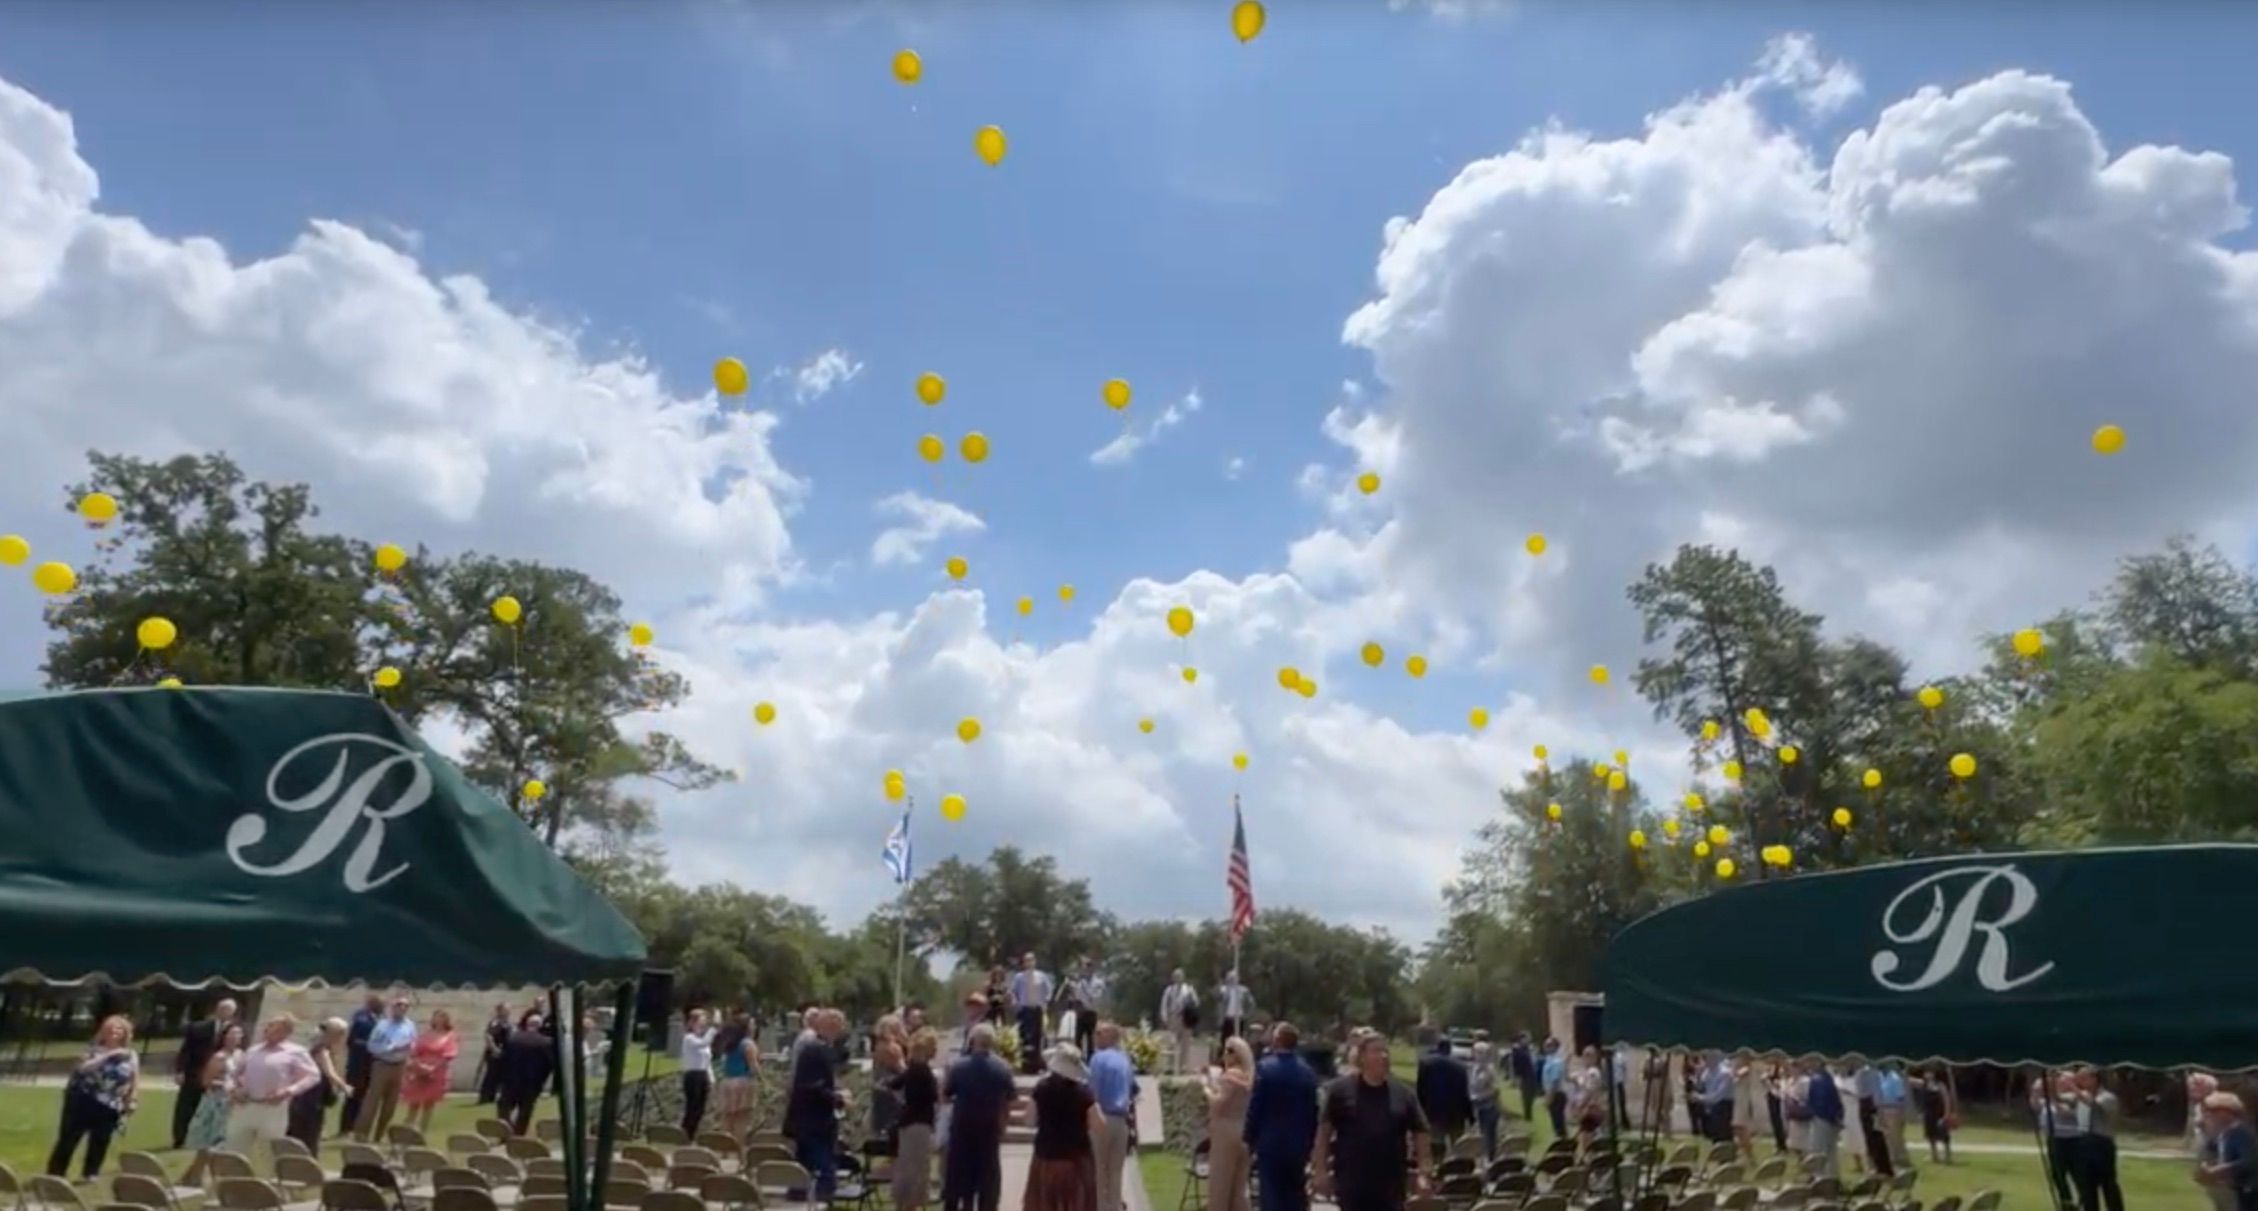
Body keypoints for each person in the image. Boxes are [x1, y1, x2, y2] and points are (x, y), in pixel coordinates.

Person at [1315, 1034, 1429, 1211]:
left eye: (1385, 1051)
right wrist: (1320, 1171)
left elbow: (1420, 1132)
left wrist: (1424, 1173)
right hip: (1352, 1183)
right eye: (1376, 1051)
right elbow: (1324, 1133)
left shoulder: (1403, 1094)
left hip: (1391, 1184)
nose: (1383, 1056)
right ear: (1361, 1057)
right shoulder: (1339, 1091)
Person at [48, 1015, 139, 1180]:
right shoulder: (92, 1050)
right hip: (82, 1099)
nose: (114, 1032)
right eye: (110, 1029)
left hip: (111, 1103)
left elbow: (134, 1079)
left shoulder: (131, 1055)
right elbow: (83, 1069)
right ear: (103, 1031)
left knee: (101, 1140)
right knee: (68, 1138)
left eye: (118, 1029)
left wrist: (132, 1100)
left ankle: (91, 1172)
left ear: (126, 1033)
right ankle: (56, 1173)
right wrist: (108, 1056)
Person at [227, 1013, 322, 1165]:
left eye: (273, 1026)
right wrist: (232, 1089)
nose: (267, 1029)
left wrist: (288, 1091)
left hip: (273, 1108)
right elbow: (232, 1074)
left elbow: (313, 1075)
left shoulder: (295, 1052)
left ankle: (269, 1183)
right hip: (245, 1105)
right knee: (234, 1148)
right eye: (267, 1025)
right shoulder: (253, 1050)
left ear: (286, 1031)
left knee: (269, 1151)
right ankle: (232, 1182)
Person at [1244, 1022, 1319, 1211]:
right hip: (1298, 1144)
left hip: (1271, 1143)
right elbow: (1313, 1112)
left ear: (1277, 1040)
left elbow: (1257, 1106)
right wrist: (1310, 1144)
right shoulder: (1308, 1073)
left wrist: (1249, 1137)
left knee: (1271, 1195)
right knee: (1295, 1195)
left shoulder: (1265, 1068)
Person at [942, 1024, 1018, 1211]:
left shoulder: (958, 1067)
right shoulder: (1003, 1068)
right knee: (988, 1176)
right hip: (989, 1127)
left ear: (973, 1041)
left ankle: (962, 1204)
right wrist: (1004, 1122)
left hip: (962, 1128)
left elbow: (946, 1095)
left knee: (960, 1174)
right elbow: (1010, 1099)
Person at [1023, 1044, 1101, 1211]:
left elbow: (1029, 1120)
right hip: (1076, 1158)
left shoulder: (1041, 1088)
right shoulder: (1084, 1093)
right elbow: (1098, 1125)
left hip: (1046, 1155)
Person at [787, 1008, 848, 1202]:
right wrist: (838, 1099)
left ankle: (799, 1200)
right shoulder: (816, 1049)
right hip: (814, 1122)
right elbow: (813, 1087)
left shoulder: (817, 1048)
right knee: (826, 1174)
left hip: (807, 1120)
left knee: (801, 1172)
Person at [181, 1023, 245, 1184]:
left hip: (232, 1103)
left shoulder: (242, 1056)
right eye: (231, 1034)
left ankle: (195, 1176)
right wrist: (223, 1085)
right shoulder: (219, 1057)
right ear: (224, 1037)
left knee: (221, 1143)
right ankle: (198, 1177)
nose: (234, 1038)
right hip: (216, 1102)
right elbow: (206, 1081)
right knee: (208, 1143)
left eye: (238, 1034)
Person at [172, 998, 237, 1150]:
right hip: (194, 1073)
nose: (225, 1013)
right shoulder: (198, 1028)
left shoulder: (234, 1032)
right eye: (223, 1009)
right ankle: (179, 1138)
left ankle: (205, 1139)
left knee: (208, 1109)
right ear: (217, 1009)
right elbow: (185, 1051)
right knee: (186, 1106)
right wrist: (180, 1070)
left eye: (229, 1010)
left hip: (217, 1078)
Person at [1204, 1036, 1255, 1211]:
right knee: (1239, 1189)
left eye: (1230, 1051)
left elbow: (1218, 1104)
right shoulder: (1248, 1077)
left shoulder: (1231, 1076)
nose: (1225, 1054)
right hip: (1242, 1130)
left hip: (1225, 1132)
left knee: (1220, 1186)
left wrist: (1205, 1089)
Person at [354, 996, 416, 1140]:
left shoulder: (410, 1025)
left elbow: (413, 1043)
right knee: (372, 1101)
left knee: (391, 1103)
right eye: (399, 1005)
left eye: (405, 1006)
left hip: (400, 1066)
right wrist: (389, 1049)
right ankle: (362, 1134)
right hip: (382, 1064)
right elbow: (372, 1046)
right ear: (392, 1007)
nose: (402, 1008)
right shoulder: (383, 1025)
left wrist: (408, 1049)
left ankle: (379, 1135)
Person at [1089, 1024, 1136, 1211]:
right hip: (1121, 1120)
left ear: (1110, 1037)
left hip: (1102, 1117)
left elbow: (1092, 1091)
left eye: (1099, 1033)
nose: (1096, 1036)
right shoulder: (1126, 1061)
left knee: (1099, 1171)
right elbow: (1133, 1090)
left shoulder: (1097, 1059)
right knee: (1116, 1173)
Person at [2064, 1067, 2124, 1211]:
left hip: (2102, 1144)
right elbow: (2060, 1098)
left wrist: (2073, 1087)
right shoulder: (2081, 1095)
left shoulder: (2108, 1097)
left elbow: (2093, 1104)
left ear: (2094, 1079)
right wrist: (2053, 1083)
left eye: (2084, 1078)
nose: (2081, 1082)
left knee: (2108, 1184)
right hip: (2085, 1142)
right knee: (2087, 1185)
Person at [288, 1018, 351, 1152]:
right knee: (309, 1134)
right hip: (310, 1097)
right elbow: (329, 1072)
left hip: (307, 1096)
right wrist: (344, 1086)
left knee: (300, 1131)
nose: (342, 1038)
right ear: (333, 1034)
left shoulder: (317, 1046)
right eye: (341, 1034)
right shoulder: (322, 1050)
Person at [896, 1029, 942, 1211]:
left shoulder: (911, 1070)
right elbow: (932, 1096)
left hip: (908, 1121)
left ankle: (903, 1203)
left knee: (907, 1165)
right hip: (919, 1123)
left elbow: (893, 1084)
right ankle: (913, 1204)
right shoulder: (922, 1072)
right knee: (919, 1168)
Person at [496, 1011, 555, 1137]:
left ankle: (504, 1132)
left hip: (511, 1079)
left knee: (505, 1107)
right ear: (540, 1026)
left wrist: (502, 1077)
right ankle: (519, 1134)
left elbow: (503, 1059)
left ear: (527, 1024)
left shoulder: (512, 1038)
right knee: (525, 1110)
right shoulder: (546, 1042)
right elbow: (549, 1064)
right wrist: (543, 1080)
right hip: (532, 1082)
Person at [2198, 1092, 2258, 1211]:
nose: (2208, 1114)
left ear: (2227, 1112)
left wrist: (2218, 1171)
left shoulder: (2240, 1131)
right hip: (2238, 1189)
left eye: (2212, 1110)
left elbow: (2249, 1161)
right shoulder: (2224, 1133)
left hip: (2250, 1190)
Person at [400, 1009, 458, 1133]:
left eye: (442, 1017)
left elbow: (448, 1055)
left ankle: (422, 1131)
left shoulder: (449, 1035)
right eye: (436, 1016)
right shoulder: (426, 1034)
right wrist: (418, 1065)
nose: (439, 1019)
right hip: (419, 1070)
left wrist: (432, 1068)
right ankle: (406, 1130)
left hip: (436, 1072)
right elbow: (415, 1051)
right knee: (414, 1102)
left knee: (429, 1103)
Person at [1415, 1038, 1471, 1163]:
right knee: (1458, 1147)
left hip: (1434, 1111)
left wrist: (1419, 1110)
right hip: (1457, 1114)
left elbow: (1420, 1089)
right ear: (1450, 1049)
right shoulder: (1461, 1066)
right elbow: (1465, 1093)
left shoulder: (1426, 1063)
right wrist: (1469, 1115)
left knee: (1437, 1146)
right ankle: (1457, 1170)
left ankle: (1438, 1170)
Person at [2034, 1073, 2083, 1207]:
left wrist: (2052, 1095)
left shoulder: (2076, 1097)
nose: (2062, 1082)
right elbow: (2035, 1105)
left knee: (2076, 1172)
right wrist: (2036, 1091)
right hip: (2054, 1139)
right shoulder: (2050, 1098)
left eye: (2067, 1080)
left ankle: (2084, 1199)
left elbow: (2064, 1111)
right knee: (2058, 1173)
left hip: (2072, 1140)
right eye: (2061, 1080)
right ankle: (2066, 1201)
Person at [338, 993, 382, 1137]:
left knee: (365, 1097)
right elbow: (353, 1040)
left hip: (372, 1065)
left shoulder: (380, 1019)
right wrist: (372, 1047)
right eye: (380, 1003)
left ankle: (358, 1127)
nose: (383, 1007)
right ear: (371, 1003)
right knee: (353, 1096)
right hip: (358, 1064)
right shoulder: (362, 1018)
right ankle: (346, 1128)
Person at [715, 1011, 761, 1140]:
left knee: (727, 1118)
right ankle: (740, 1149)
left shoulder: (731, 1043)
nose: (754, 1026)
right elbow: (753, 1066)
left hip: (727, 1081)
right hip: (743, 1082)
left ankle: (725, 1150)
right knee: (742, 1119)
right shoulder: (748, 1044)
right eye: (752, 1024)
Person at [1011, 954, 1055, 1077]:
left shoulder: (1041, 976)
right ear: (1023, 963)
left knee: (1037, 1037)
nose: (1029, 963)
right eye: (1026, 961)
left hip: (1037, 1009)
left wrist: (1046, 1001)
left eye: (1031, 960)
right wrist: (1016, 1003)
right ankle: (1024, 1065)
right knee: (1024, 1037)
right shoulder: (1019, 977)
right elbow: (1013, 992)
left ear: (1035, 962)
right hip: (1024, 1009)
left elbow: (1049, 989)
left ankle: (1036, 1065)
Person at [1802, 1057, 1844, 1179]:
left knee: (1818, 1150)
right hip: (1832, 1119)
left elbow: (1816, 1102)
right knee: (1831, 1151)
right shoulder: (1829, 1078)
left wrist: (1812, 1111)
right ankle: (1833, 1177)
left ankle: (1820, 1179)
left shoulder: (1817, 1080)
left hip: (1821, 1118)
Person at [678, 1008, 716, 1138]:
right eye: (702, 1019)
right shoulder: (689, 1038)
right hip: (692, 1075)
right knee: (692, 1106)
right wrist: (712, 1031)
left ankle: (692, 1133)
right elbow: (702, 1043)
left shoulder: (703, 1039)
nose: (704, 1022)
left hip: (702, 1075)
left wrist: (711, 1078)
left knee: (700, 1108)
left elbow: (707, 1060)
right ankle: (684, 1133)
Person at [1062, 960, 1106, 1060]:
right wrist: (1072, 988)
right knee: (1078, 1038)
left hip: (1091, 1012)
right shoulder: (1080, 983)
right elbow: (1077, 997)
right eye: (1083, 968)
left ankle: (1091, 1060)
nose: (1084, 970)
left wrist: (1083, 996)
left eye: (1087, 968)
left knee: (1090, 1038)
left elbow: (1095, 997)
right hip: (1081, 1013)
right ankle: (1079, 1060)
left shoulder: (1098, 982)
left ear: (1091, 969)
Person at [1911, 1066, 1955, 1164]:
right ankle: (1934, 1155)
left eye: (1930, 1072)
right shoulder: (1923, 1084)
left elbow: (1946, 1100)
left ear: (1934, 1074)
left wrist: (1946, 1114)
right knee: (1930, 1135)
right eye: (1926, 1072)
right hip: (1928, 1114)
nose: (1928, 1074)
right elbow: (1909, 1080)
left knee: (1943, 1135)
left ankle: (1948, 1155)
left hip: (1939, 1114)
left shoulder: (1940, 1085)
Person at [1161, 971, 1200, 1075]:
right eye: (1175, 976)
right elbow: (1164, 1004)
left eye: (1179, 976)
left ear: (1183, 977)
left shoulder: (1189, 989)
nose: (1177, 978)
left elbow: (1196, 1002)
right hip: (1173, 1016)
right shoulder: (1169, 990)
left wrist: (1188, 1003)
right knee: (1172, 1042)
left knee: (1185, 1043)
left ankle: (1183, 1066)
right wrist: (1165, 1017)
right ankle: (1170, 1066)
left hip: (1185, 1017)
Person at [1467, 1041, 1499, 1161]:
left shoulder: (1489, 1070)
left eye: (1481, 1052)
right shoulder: (1473, 1068)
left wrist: (1480, 1096)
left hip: (1488, 1106)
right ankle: (1480, 1160)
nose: (1478, 1055)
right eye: (1476, 1052)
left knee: (1488, 1136)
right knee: (1477, 1135)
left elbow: (1495, 1089)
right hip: (1476, 1106)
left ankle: (1490, 1160)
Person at [1875, 1063, 1911, 1171]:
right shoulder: (1878, 1077)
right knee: (1885, 1136)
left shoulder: (1895, 1079)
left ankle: (1901, 1158)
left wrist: (1901, 1113)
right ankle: (1891, 1158)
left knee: (1896, 1136)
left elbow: (1901, 1097)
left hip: (1893, 1108)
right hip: (1881, 1109)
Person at [476, 1003, 512, 1106]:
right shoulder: (495, 1022)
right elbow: (488, 1036)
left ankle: (497, 1097)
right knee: (492, 1076)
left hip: (506, 1052)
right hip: (495, 1053)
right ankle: (485, 1097)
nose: (508, 1011)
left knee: (503, 1076)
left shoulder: (508, 1023)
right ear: (499, 1011)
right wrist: (494, 1049)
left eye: (509, 1009)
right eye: (506, 1009)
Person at [1507, 1033, 1539, 1123]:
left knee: (1532, 1094)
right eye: (1526, 1039)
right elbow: (1515, 1065)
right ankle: (1528, 1115)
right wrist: (1516, 1077)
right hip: (1524, 1075)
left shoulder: (1527, 1049)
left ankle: (1528, 1114)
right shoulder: (1517, 1051)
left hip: (1531, 1074)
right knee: (1527, 1095)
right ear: (1521, 1039)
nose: (1528, 1041)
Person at [1539, 1038, 1567, 1139]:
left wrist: (1549, 1097)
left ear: (1555, 1047)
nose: (1546, 1047)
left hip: (1556, 1094)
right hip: (1552, 1093)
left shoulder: (1556, 1062)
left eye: (1549, 1045)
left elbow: (1554, 1081)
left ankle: (1563, 1144)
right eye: (1546, 1045)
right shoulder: (1549, 1060)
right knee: (1555, 1122)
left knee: (1558, 1122)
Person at [1217, 972, 1254, 1046]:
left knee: (1238, 1038)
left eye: (1233, 978)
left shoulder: (1243, 990)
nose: (1232, 980)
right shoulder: (1224, 989)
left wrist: (1247, 1014)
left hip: (1239, 1018)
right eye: (1230, 978)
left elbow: (1251, 1003)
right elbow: (1220, 999)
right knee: (1225, 1038)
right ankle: (1223, 1054)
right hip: (1227, 1017)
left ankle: (1238, 1054)